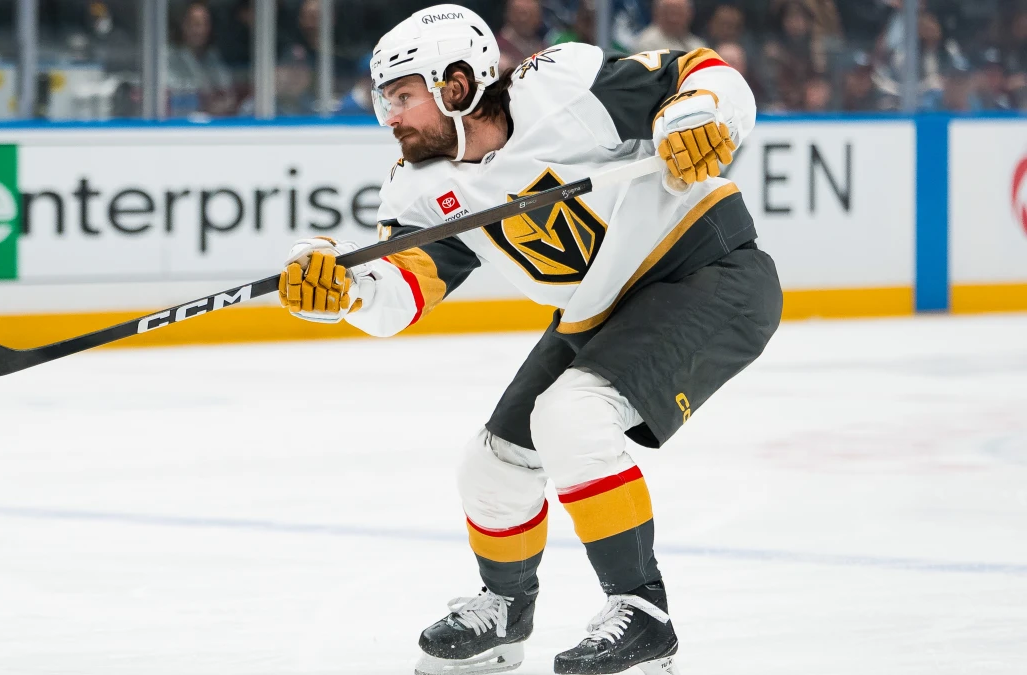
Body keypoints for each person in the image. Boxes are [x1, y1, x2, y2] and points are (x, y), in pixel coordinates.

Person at [276, 4, 781, 674]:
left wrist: (699, 114)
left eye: (401, 96)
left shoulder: (557, 87)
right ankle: (506, 612)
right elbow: (405, 286)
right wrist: (346, 288)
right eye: (383, 100)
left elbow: (699, 73)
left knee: (570, 417)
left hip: (706, 269)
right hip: (598, 307)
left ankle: (643, 613)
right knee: (492, 463)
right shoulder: (422, 186)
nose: (388, 116)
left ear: (456, 84)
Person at [167, 0, 235, 116]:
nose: (200, 30)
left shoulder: (212, 57)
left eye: (205, 24)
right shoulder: (168, 58)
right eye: (195, 24)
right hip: (177, 126)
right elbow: (168, 97)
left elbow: (227, 94)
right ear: (183, 25)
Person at [634, 0, 706, 53]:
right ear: (656, 13)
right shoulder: (647, 44)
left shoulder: (698, 45)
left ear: (689, 15)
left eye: (678, 13)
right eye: (668, 13)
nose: (673, 19)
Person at [496, 0, 545, 74]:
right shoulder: (496, 47)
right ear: (508, 14)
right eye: (522, 14)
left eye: (532, 15)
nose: (525, 19)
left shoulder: (542, 48)